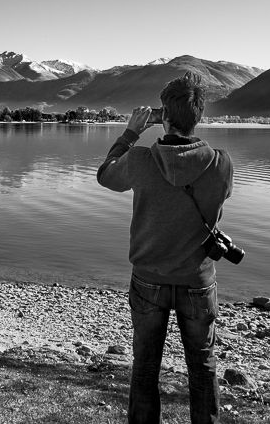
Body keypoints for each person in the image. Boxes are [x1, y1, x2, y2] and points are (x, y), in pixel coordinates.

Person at [97, 72, 233, 424]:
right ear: (198, 118)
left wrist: (131, 133)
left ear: (164, 118)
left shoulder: (140, 160)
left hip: (148, 280)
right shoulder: (220, 163)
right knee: (202, 369)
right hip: (197, 281)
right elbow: (219, 200)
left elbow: (105, 174)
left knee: (144, 369)